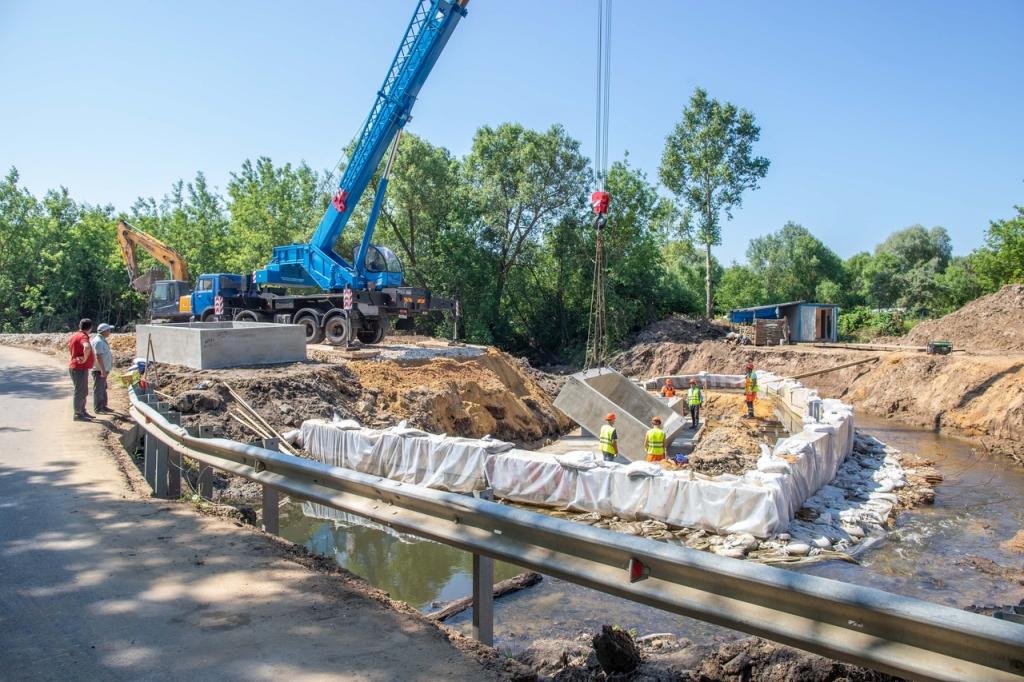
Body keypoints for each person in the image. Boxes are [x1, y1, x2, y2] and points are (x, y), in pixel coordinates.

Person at [68, 318, 94, 420]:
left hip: (77, 367)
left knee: (83, 390)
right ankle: (78, 413)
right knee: (80, 391)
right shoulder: (83, 336)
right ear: (90, 328)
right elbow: (86, 347)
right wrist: (85, 359)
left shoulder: (74, 335)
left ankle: (82, 411)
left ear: (80, 326)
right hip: (79, 368)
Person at [90, 323, 114, 413]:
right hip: (99, 370)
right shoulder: (98, 341)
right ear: (104, 331)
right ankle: (98, 408)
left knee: (103, 388)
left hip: (102, 369)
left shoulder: (101, 340)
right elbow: (98, 356)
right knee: (99, 389)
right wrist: (102, 370)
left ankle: (103, 406)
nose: (110, 332)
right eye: (109, 330)